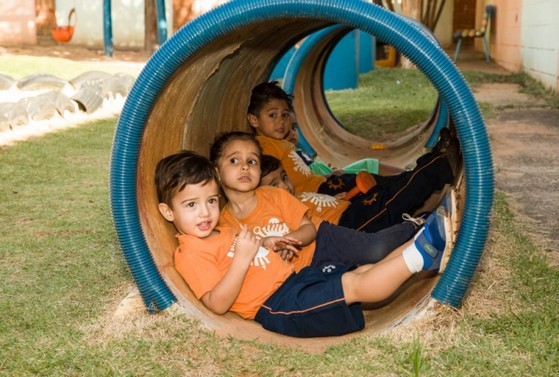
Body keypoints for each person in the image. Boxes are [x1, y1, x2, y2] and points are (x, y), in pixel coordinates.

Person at [156, 149, 451, 338]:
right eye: (191, 205)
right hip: (278, 306)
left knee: (363, 270)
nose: (205, 212)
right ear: (168, 212)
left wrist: (266, 241)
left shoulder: (220, 230)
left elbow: (245, 246)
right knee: (353, 285)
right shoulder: (190, 253)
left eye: (210, 201)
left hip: (294, 277)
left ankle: (426, 244)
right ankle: (419, 256)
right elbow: (216, 303)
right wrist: (243, 258)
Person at [247, 80, 459, 232]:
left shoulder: (280, 142)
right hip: (323, 190)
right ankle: (436, 166)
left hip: (326, 185)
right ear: (254, 120)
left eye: (285, 115)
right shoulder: (262, 147)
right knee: (384, 197)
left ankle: (432, 165)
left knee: (384, 186)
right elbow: (267, 185)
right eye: (272, 115)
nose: (281, 121)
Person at [286, 112, 380, 177]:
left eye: (294, 127)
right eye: (285, 130)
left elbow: (311, 167)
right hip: (330, 181)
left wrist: (324, 168)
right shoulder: (286, 157)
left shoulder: (295, 150)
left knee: (368, 165)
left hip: (331, 174)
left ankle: (394, 182)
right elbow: (304, 182)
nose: (292, 133)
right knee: (368, 165)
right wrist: (329, 175)